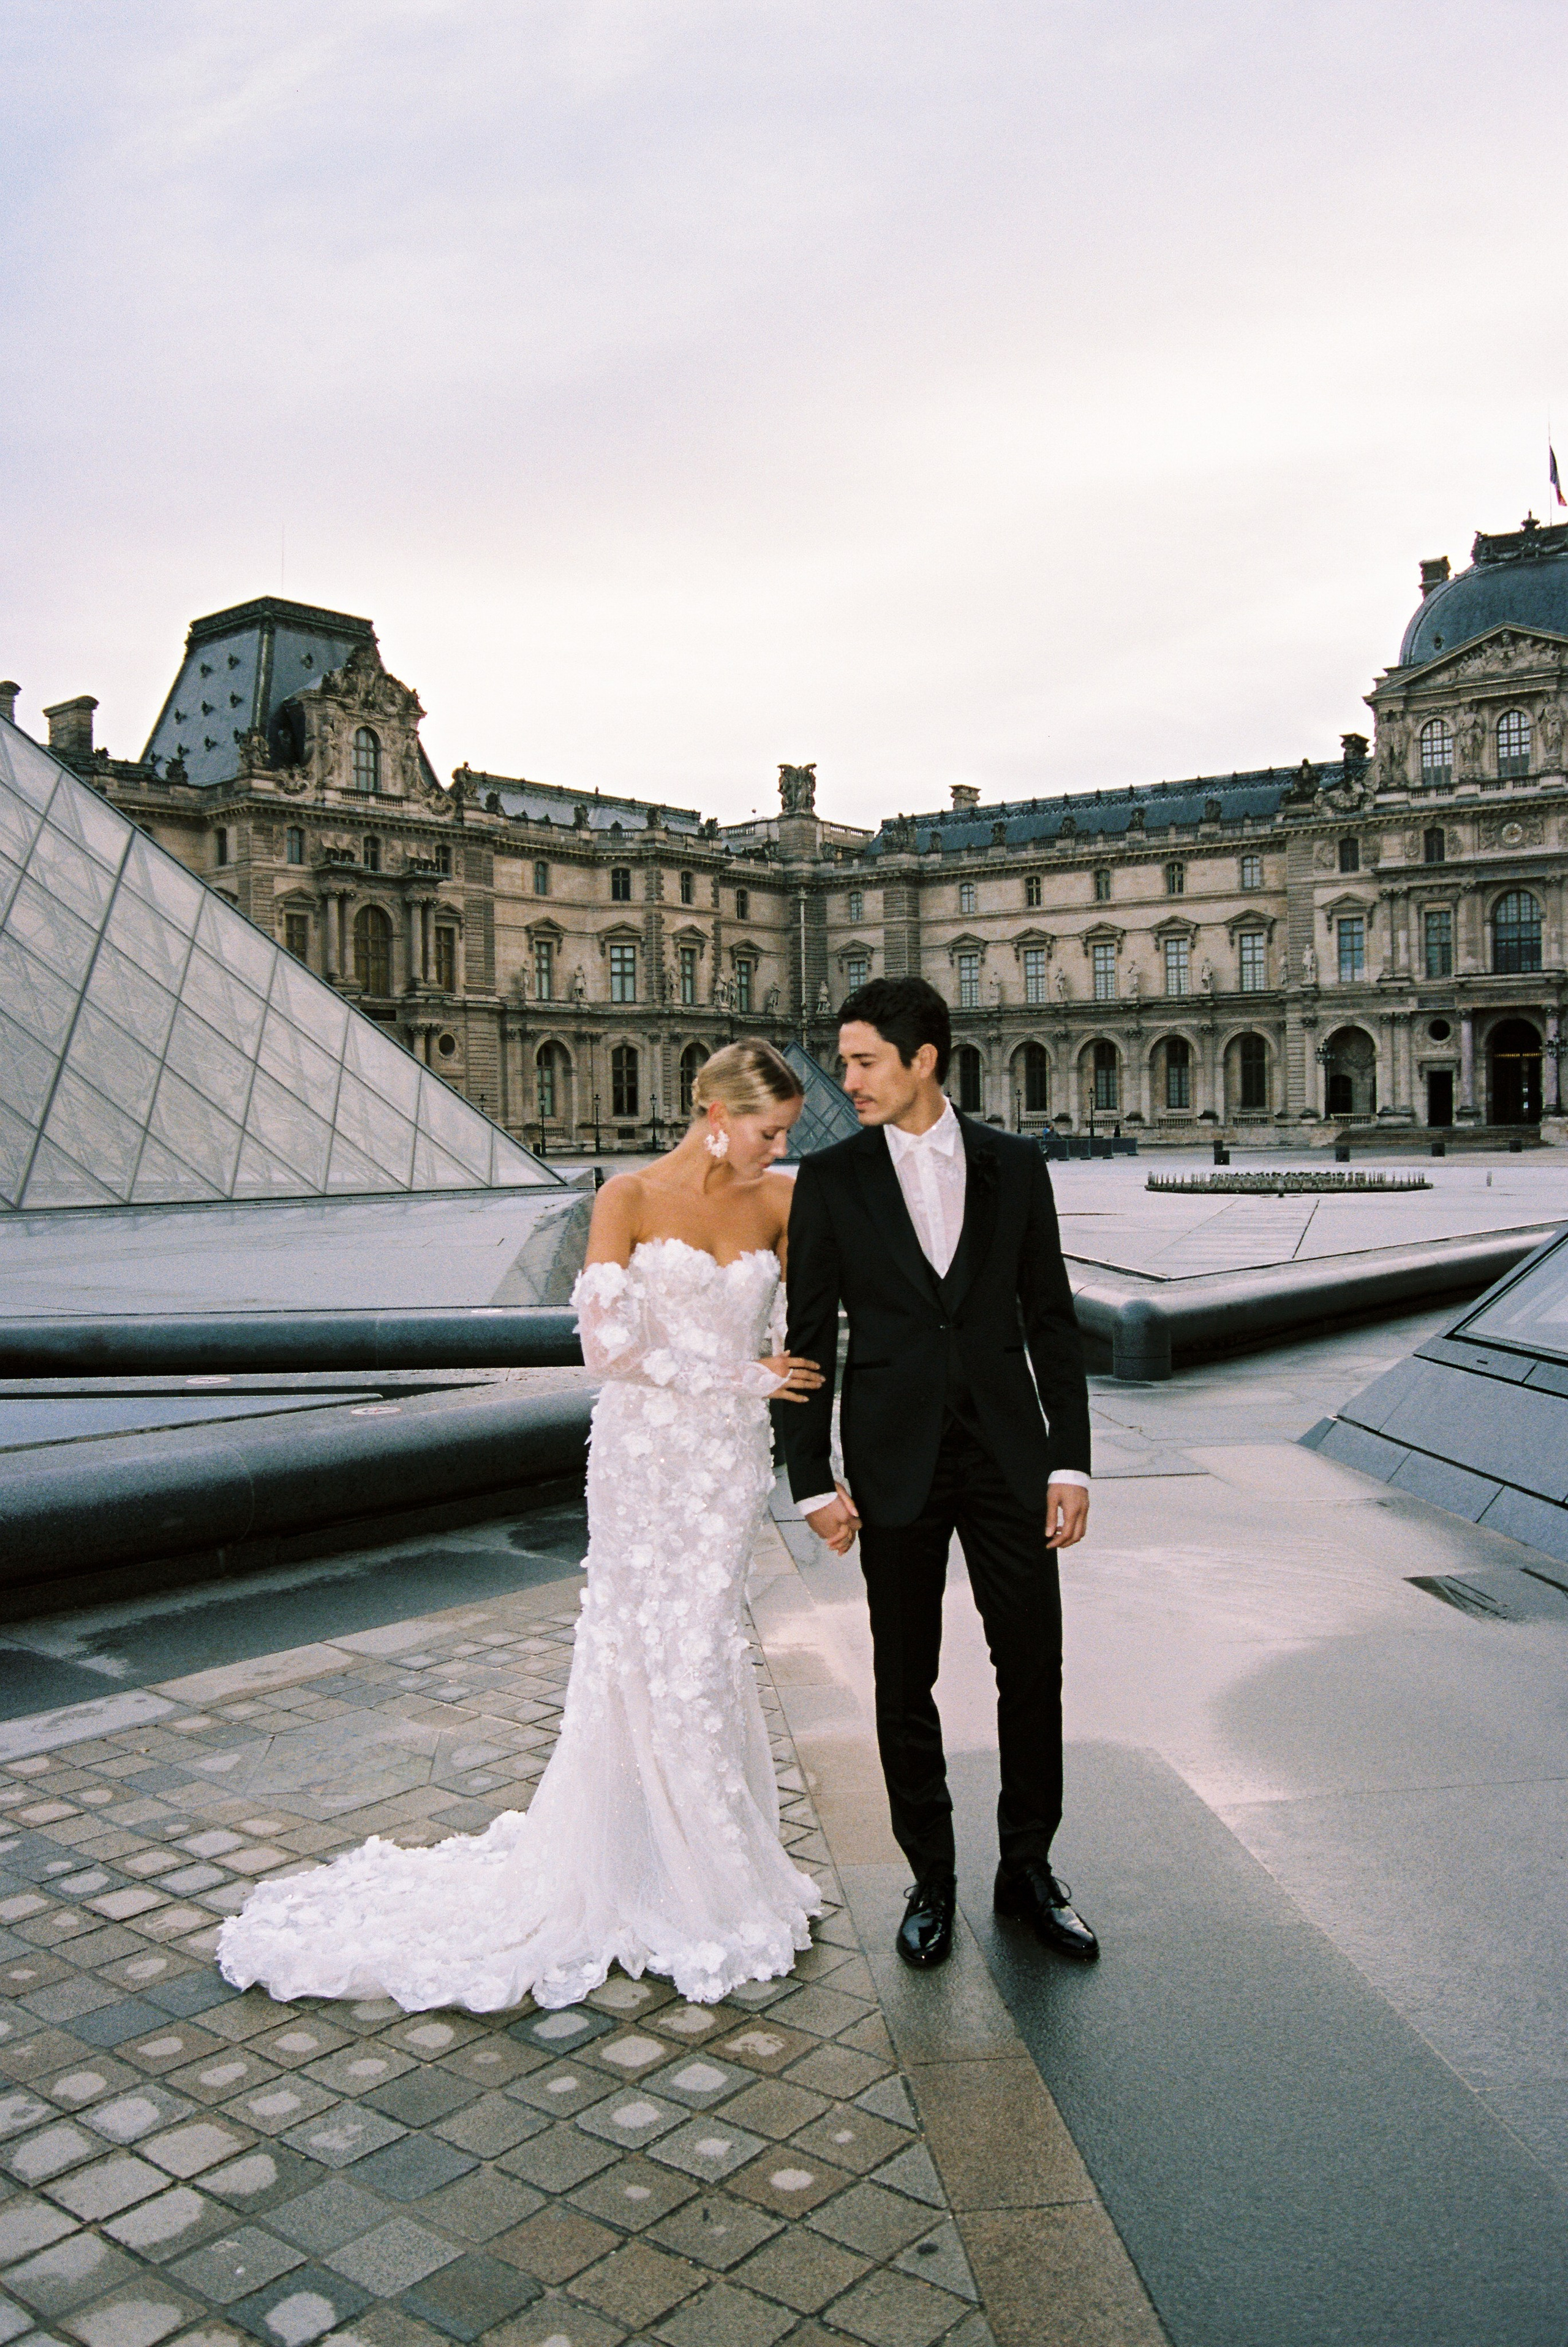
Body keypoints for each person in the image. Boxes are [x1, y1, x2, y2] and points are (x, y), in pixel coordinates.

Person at [218, 1040, 826, 2013]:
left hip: (724, 1467)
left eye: (786, 1132)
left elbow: (808, 1325)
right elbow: (604, 1348)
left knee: (703, 1643)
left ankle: (707, 1860)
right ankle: (654, 1866)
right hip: (643, 1458)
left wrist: (794, 1393)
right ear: (714, 1112)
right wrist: (739, 1376)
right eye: (768, 1131)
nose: (779, 1147)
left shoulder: (781, 1203)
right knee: (637, 1644)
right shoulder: (625, 1197)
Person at [780, 977, 1096, 1971]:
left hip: (1009, 1455)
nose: (848, 1079)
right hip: (892, 1459)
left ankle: (1029, 1869)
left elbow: (1049, 1317)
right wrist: (812, 1481)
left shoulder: (1015, 1164)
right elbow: (806, 1343)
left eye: (865, 1061)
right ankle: (932, 1875)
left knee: (1031, 1667)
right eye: (845, 1062)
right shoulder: (828, 1179)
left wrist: (1072, 1460)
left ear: (924, 1060)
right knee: (903, 1675)